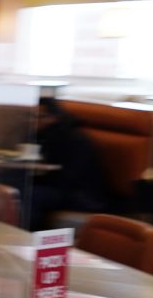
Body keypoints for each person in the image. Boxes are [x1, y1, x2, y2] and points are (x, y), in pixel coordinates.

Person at [27, 96, 112, 229]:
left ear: (54, 117)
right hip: (60, 188)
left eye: (40, 117)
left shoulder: (74, 139)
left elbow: (68, 177)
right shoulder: (42, 136)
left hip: (82, 195)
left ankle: (28, 236)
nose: (34, 121)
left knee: (31, 195)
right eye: (32, 117)